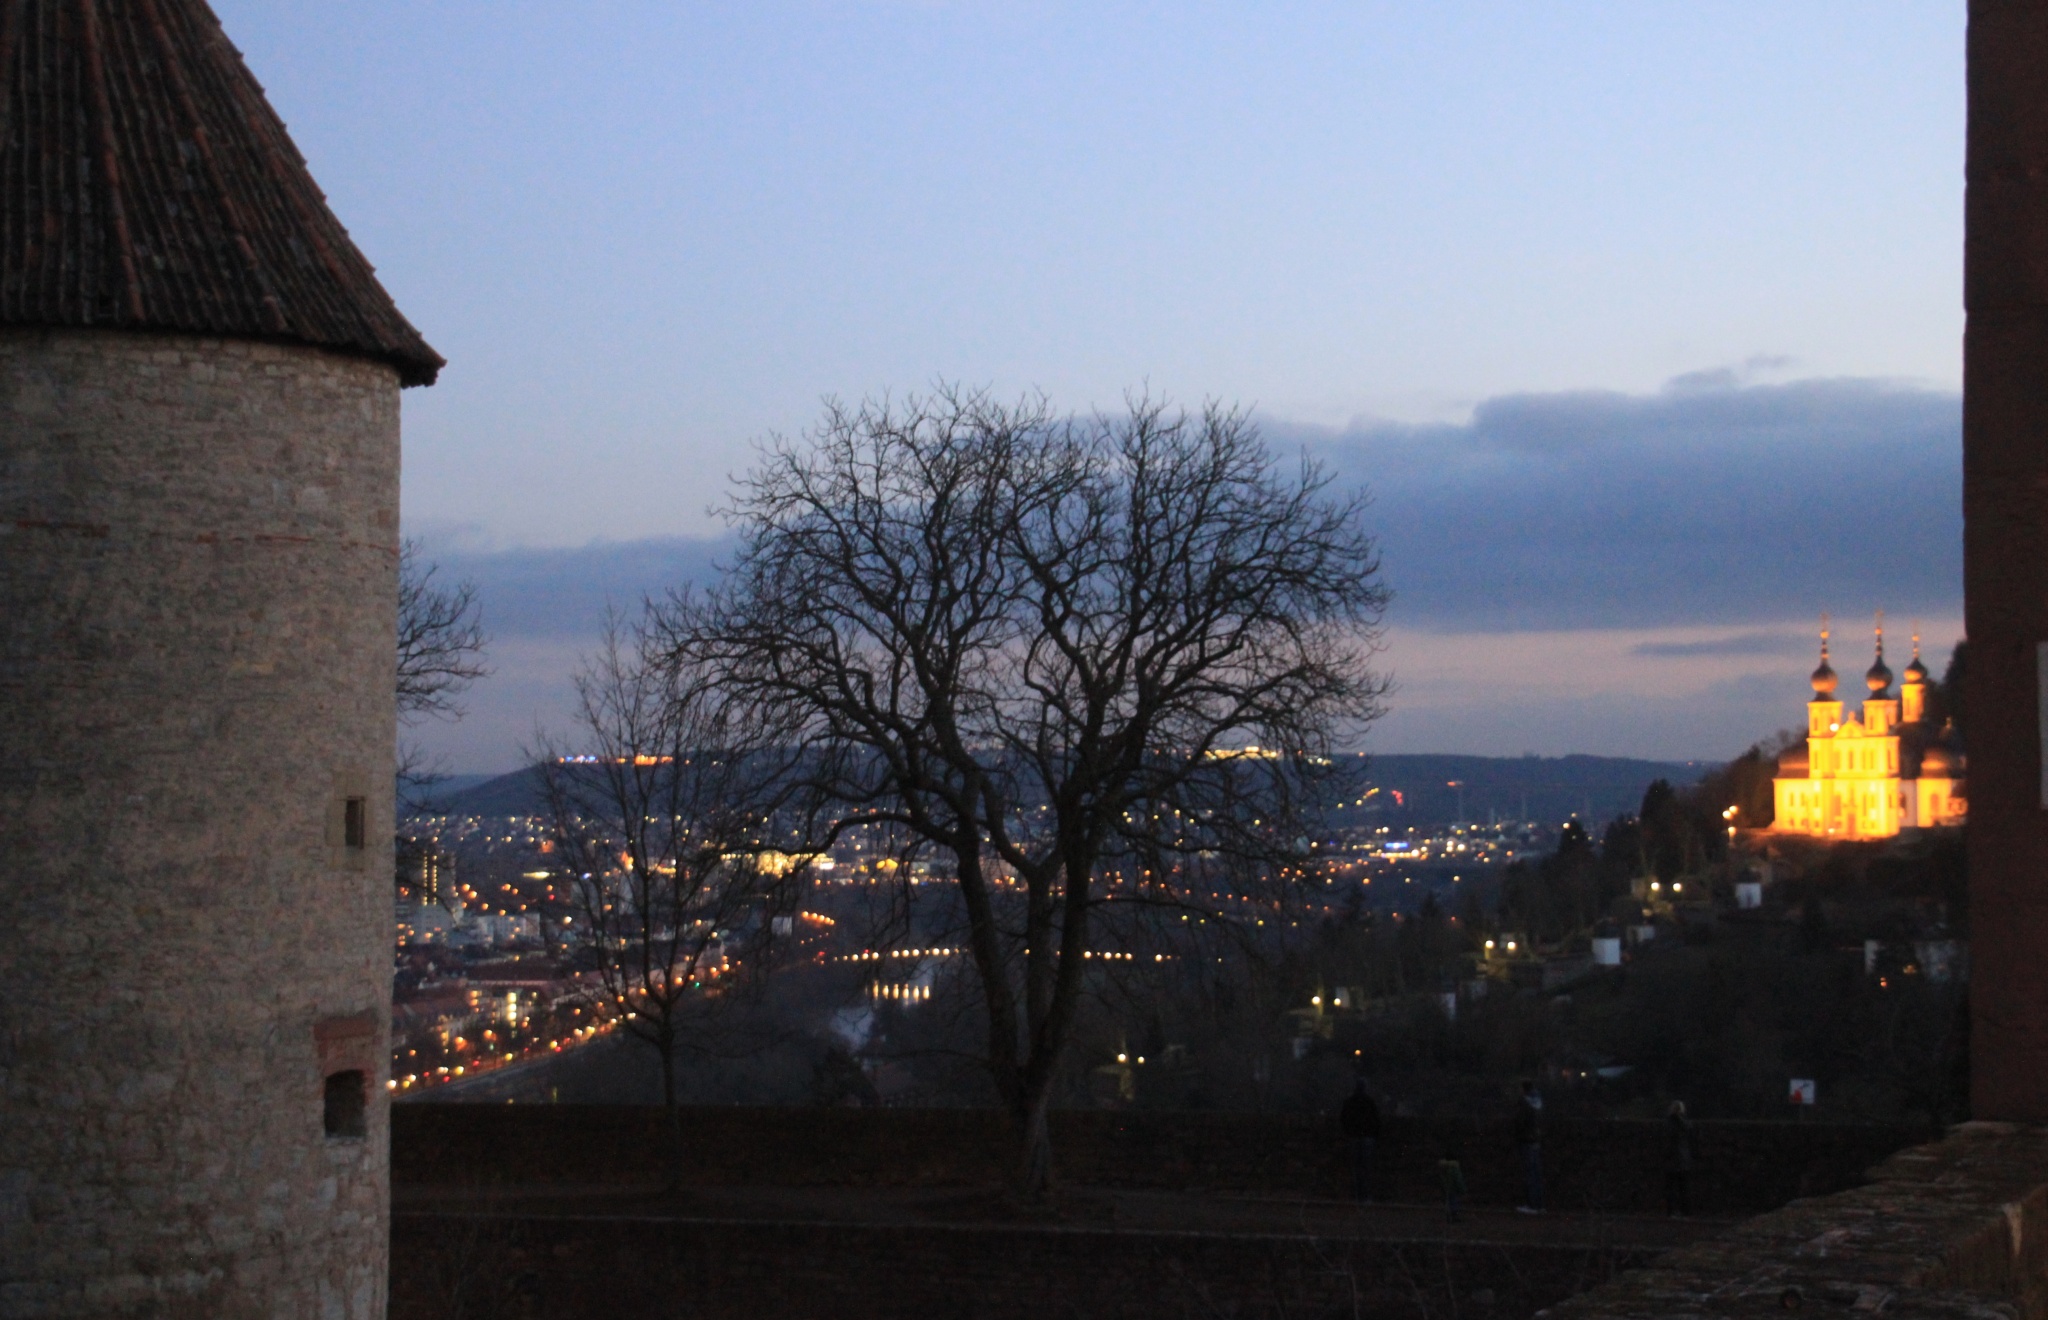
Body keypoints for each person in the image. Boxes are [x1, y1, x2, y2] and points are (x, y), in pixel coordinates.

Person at [1339, 1078, 1382, 1203]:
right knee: (1366, 1168)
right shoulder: (1369, 1102)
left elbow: (1344, 1118)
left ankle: (1358, 1195)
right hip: (1367, 1137)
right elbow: (1376, 1120)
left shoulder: (1350, 1102)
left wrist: (1349, 1132)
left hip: (1354, 1137)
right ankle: (1365, 1196)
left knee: (1356, 1168)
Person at [1513, 1079, 1545, 1214]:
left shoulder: (1524, 1103)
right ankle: (1538, 1204)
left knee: (1529, 1173)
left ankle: (1531, 1205)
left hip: (1526, 1140)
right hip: (1536, 1140)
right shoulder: (1538, 1102)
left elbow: (1520, 1122)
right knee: (1536, 1173)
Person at [1664, 1100, 1695, 1216]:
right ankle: (1686, 1212)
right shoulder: (1686, 1123)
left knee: (1671, 1188)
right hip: (1684, 1159)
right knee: (1684, 1188)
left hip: (1672, 1159)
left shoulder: (1669, 1123)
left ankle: (1671, 1211)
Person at [1438, 1126, 1467, 1223]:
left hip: (1446, 1187)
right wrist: (1462, 1189)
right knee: (1454, 1202)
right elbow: (1458, 1179)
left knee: (1448, 1202)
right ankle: (1454, 1217)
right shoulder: (1454, 1168)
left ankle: (1448, 1215)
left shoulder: (1443, 1166)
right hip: (1453, 1188)